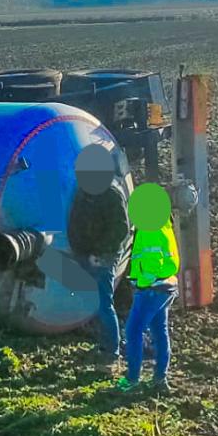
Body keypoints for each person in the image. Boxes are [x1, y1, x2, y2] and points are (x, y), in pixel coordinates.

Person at [68, 144, 131, 365]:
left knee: (104, 304)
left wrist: (100, 253)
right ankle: (103, 344)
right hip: (85, 255)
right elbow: (75, 222)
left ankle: (111, 352)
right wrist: (79, 251)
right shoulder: (84, 192)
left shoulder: (111, 194)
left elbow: (120, 229)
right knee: (95, 303)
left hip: (103, 257)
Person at [118, 183, 182, 393]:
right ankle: (160, 378)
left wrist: (142, 283)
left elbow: (152, 261)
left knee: (133, 331)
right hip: (166, 287)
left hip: (151, 289)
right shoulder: (164, 224)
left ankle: (132, 379)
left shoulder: (150, 228)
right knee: (159, 332)